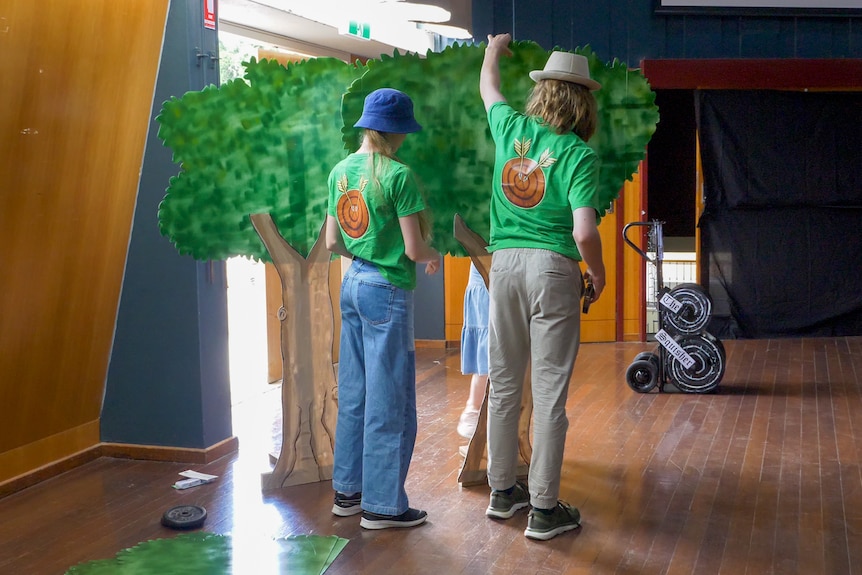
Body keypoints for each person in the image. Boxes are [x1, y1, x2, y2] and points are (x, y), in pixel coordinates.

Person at [479, 34, 606, 541]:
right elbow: (583, 230)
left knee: (505, 383)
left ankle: (501, 492)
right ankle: (545, 510)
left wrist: (493, 50)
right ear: (583, 102)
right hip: (553, 269)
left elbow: (489, 88)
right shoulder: (578, 155)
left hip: (504, 264)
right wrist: (596, 272)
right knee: (549, 395)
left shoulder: (510, 128)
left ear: (543, 93)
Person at [325, 88, 441, 530]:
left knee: (354, 391)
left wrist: (364, 256)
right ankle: (383, 507)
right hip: (387, 289)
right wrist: (433, 255)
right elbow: (413, 249)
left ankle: (347, 494)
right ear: (395, 131)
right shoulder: (398, 176)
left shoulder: (340, 171)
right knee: (390, 396)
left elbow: (333, 242)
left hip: (352, 282)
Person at [457, 262, 489, 439]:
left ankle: (475, 409)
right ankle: (473, 409)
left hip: (510, 269)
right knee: (487, 352)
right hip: (484, 272)